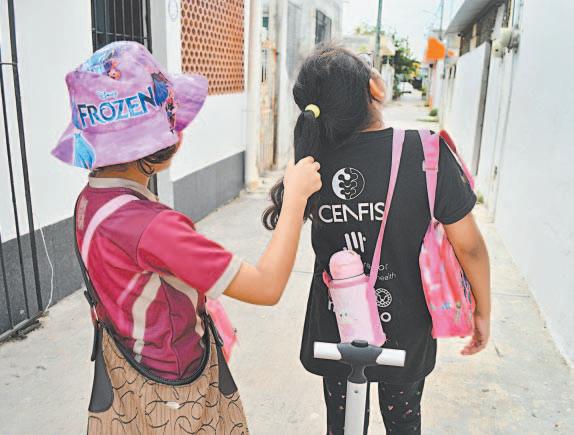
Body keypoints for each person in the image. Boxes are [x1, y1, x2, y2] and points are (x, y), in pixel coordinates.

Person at [52, 41, 321, 432]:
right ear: (154, 144)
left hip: (128, 367)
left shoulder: (90, 200)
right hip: (175, 393)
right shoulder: (154, 228)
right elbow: (266, 287)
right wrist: (295, 198)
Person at [263, 45, 491, 434]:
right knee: (404, 420)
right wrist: (481, 310)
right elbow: (468, 246)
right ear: (375, 88)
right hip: (407, 328)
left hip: (337, 324)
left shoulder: (309, 161)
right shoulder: (426, 151)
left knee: (343, 422)